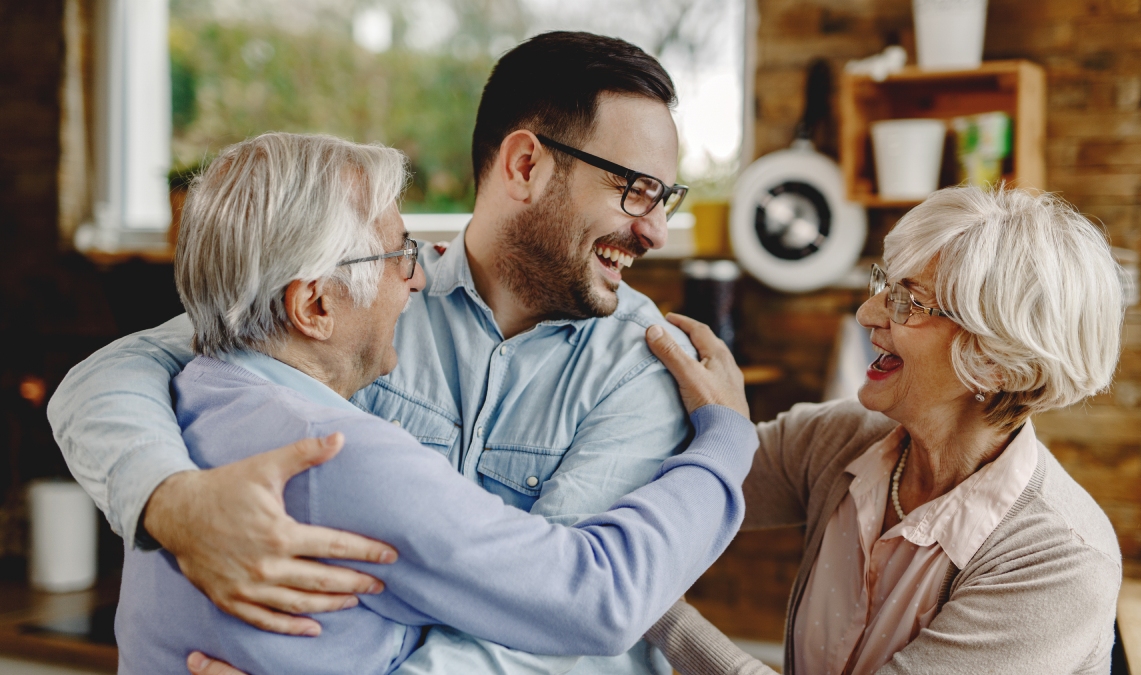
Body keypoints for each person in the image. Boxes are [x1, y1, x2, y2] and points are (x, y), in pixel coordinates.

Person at [49, 32, 693, 675]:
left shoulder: (644, 362)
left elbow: (567, 614)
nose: (655, 230)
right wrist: (171, 502)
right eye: (635, 189)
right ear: (526, 166)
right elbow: (112, 374)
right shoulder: (359, 299)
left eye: (666, 198)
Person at [116, 130, 756, 675]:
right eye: (399, 255)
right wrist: (727, 439)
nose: (419, 278)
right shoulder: (336, 454)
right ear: (314, 306)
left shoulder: (188, 397)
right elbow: (598, 596)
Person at [636, 186, 1126, 674]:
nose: (867, 314)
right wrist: (720, 427)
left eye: (907, 302)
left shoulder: (1059, 564)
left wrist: (643, 604)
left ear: (998, 361)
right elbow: (663, 487)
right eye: (883, 285)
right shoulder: (839, 440)